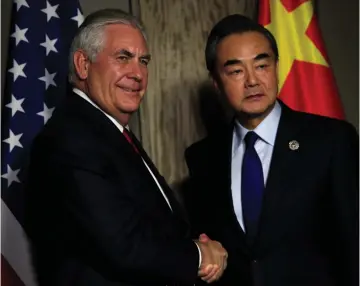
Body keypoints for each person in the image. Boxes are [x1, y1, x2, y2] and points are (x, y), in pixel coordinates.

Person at [24, 9, 228, 286]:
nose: (138, 73)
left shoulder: (109, 132)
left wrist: (195, 248)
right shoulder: (70, 139)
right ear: (83, 65)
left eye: (143, 61)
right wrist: (199, 256)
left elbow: (151, 228)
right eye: (123, 58)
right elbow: (126, 246)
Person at [183, 14, 359, 286]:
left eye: (262, 65)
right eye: (236, 71)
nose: (252, 81)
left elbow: (353, 245)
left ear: (276, 67)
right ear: (217, 82)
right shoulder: (202, 157)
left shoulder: (331, 141)